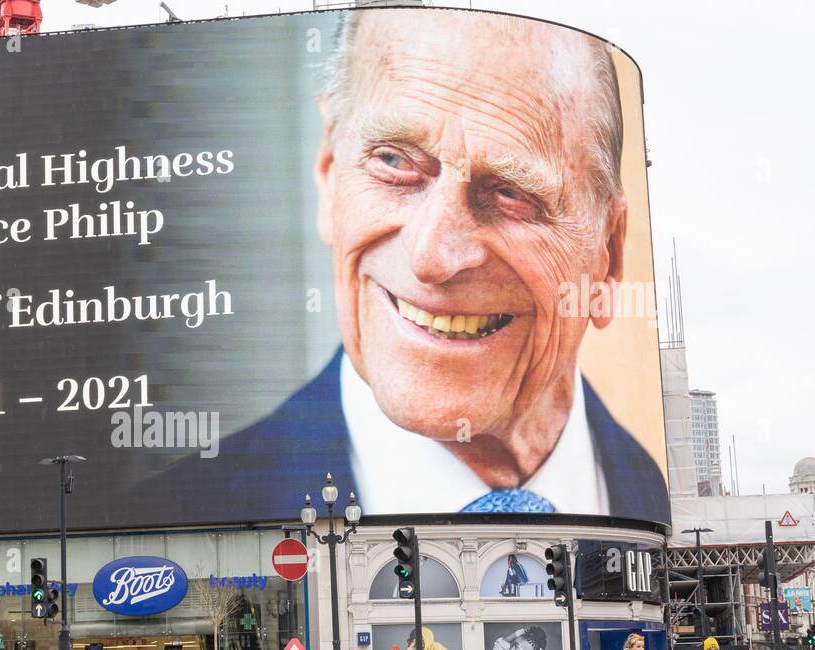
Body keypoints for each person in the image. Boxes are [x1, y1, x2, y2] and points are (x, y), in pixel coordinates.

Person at [146, 8, 669, 527]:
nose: (430, 256)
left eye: (511, 194)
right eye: (394, 162)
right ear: (329, 173)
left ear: (608, 255)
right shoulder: (180, 513)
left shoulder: (651, 496)